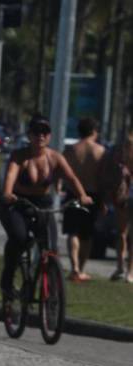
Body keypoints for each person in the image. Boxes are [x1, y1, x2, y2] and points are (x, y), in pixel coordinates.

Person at [0, 115, 93, 299]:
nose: (40, 136)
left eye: (45, 132)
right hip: (19, 203)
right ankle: (7, 280)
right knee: (19, 238)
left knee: (51, 247)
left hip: (43, 204)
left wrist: (82, 195)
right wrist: (7, 193)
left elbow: (71, 178)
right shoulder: (20, 156)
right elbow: (11, 175)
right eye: (36, 132)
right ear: (29, 135)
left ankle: (51, 288)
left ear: (49, 136)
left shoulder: (55, 157)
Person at [62, 117, 107, 281]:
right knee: (87, 235)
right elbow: (102, 178)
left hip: (73, 193)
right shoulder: (100, 151)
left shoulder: (71, 149)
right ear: (94, 131)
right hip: (92, 195)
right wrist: (103, 201)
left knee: (72, 231)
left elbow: (62, 171)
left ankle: (74, 267)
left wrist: (60, 186)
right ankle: (81, 269)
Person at [102, 133, 133, 282]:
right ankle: (121, 267)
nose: (126, 149)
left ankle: (130, 271)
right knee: (122, 233)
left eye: (129, 146)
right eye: (126, 146)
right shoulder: (119, 162)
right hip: (123, 200)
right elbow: (110, 182)